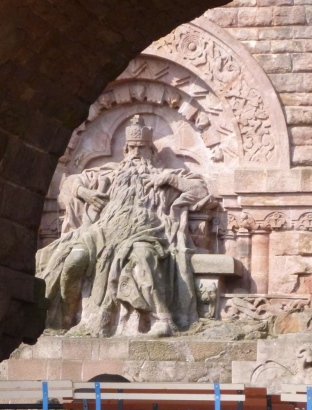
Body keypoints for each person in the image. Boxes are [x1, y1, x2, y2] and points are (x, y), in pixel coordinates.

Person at [36, 115, 215, 337]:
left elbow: (201, 192)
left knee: (142, 259)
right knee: (74, 259)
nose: (136, 153)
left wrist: (171, 180)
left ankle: (163, 320)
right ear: (125, 150)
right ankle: (65, 319)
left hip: (147, 232)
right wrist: (85, 193)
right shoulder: (111, 174)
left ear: (152, 152)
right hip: (103, 232)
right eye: (132, 148)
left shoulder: (163, 177)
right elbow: (69, 184)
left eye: (142, 148)